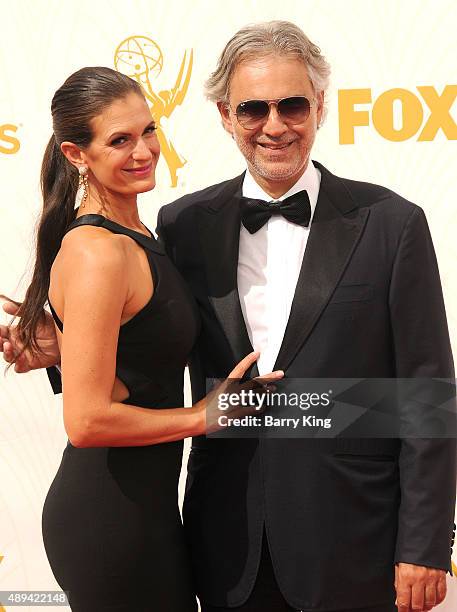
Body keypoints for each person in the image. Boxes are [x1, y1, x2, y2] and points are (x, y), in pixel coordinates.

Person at [1, 21, 456, 612]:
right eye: (253, 108)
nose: (275, 125)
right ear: (224, 114)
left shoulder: (392, 224)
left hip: (352, 535)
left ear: (319, 106)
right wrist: (66, 350)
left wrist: (423, 543)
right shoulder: (183, 224)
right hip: (222, 537)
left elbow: (426, 393)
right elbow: (150, 347)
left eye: (292, 104)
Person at [0, 66, 282, 612]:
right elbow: (86, 422)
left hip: (146, 511)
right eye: (119, 140)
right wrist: (204, 417)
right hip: (110, 517)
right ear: (76, 154)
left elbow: (134, 350)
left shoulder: (138, 235)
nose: (143, 151)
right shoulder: (97, 251)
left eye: (148, 130)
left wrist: (64, 347)